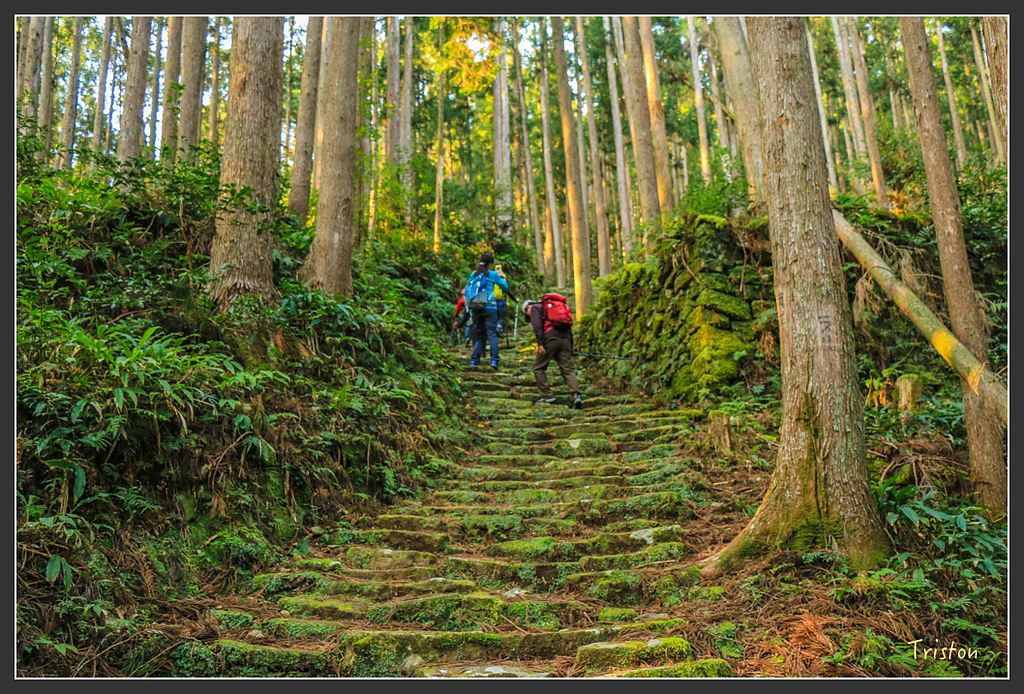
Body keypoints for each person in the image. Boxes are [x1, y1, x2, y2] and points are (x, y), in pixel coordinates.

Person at [524, 298, 583, 409]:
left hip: (550, 339)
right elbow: (568, 327)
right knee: (567, 369)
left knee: (538, 368)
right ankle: (576, 395)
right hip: (565, 339)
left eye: (527, 314)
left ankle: (547, 395)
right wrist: (571, 346)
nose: (529, 316)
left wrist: (540, 343)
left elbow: (537, 326)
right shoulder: (556, 308)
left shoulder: (536, 308)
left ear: (528, 307)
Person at [465, 252, 510, 369]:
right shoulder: (492, 274)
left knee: (480, 334)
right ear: (490, 263)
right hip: (489, 307)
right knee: (492, 334)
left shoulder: (473, 274)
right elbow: (505, 287)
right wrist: (502, 277)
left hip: (476, 308)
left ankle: (475, 360)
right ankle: (494, 360)